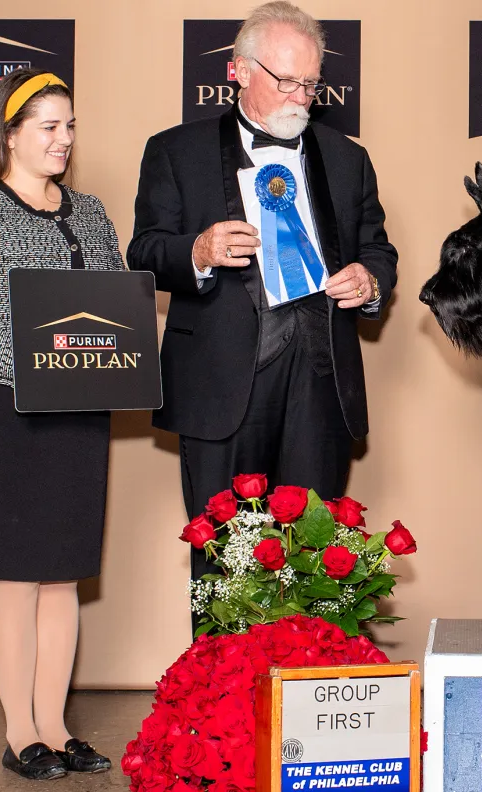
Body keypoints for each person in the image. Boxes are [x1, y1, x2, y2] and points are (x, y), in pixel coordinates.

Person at [128, 1, 397, 586]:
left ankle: (306, 675)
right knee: (225, 562)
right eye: (287, 81)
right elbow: (145, 251)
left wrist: (370, 280)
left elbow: (378, 248)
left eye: (311, 82)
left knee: (318, 561)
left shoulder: (349, 159)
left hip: (321, 382)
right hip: (223, 383)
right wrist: (196, 251)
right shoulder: (175, 151)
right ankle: (220, 678)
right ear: (239, 71)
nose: (301, 96)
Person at [0, 69, 121, 779]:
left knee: (63, 575)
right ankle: (20, 731)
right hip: (4, 408)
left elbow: (116, 305)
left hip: (80, 408)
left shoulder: (90, 212)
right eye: (48, 127)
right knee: (18, 577)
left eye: (69, 126)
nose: (64, 139)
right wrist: (22, 356)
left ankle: (58, 728)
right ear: (8, 133)